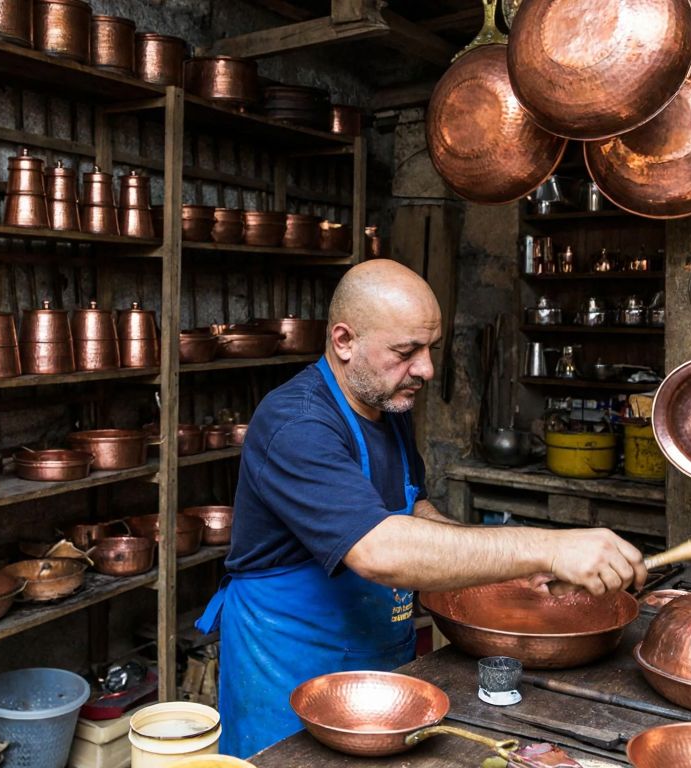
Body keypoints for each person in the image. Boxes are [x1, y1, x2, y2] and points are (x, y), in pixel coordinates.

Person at [195, 260, 646, 757]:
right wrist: (548, 547)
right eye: (406, 351)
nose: (427, 369)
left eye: (430, 349)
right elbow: (379, 550)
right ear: (344, 341)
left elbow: (415, 509)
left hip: (380, 663)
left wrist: (507, 573)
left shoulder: (387, 405)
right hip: (290, 669)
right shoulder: (297, 424)